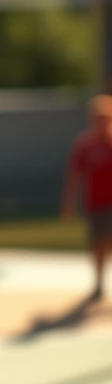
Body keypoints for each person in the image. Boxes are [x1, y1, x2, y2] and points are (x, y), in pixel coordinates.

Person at [61, 94, 112, 302]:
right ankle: (99, 282)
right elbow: (75, 175)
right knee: (97, 243)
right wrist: (68, 202)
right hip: (96, 203)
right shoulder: (85, 145)